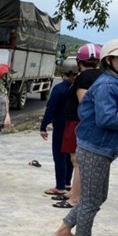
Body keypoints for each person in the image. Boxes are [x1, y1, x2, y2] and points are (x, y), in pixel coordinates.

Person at [49, 38, 118, 236]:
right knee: (92, 199)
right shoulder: (107, 84)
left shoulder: (112, 82)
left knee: (95, 196)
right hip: (95, 148)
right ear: (110, 60)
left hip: (98, 147)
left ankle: (64, 230)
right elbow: (107, 118)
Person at [54, 43, 103, 209]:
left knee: (76, 160)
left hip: (77, 122)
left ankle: (74, 198)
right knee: (78, 161)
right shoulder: (101, 75)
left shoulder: (84, 77)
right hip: (85, 123)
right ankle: (73, 192)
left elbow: (85, 103)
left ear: (79, 61)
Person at [40, 57, 76, 196]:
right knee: (70, 155)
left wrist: (43, 126)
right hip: (74, 126)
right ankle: (67, 183)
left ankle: (60, 186)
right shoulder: (79, 88)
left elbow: (51, 109)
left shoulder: (59, 89)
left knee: (59, 155)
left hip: (61, 126)